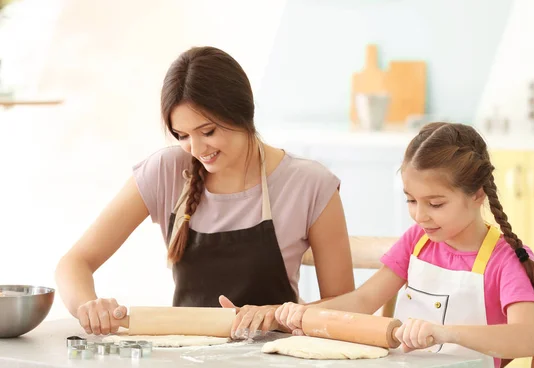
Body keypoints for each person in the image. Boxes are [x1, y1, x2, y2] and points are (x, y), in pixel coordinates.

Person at [55, 46, 355, 339]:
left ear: (243, 113)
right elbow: (74, 263)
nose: (197, 150)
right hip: (184, 367)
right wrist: (88, 307)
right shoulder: (166, 171)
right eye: (182, 136)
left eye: (208, 131)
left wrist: (278, 314)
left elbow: (346, 307)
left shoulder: (309, 183)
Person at [274, 123, 534, 368]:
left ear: (478, 194)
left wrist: (445, 333)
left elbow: (526, 338)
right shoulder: (418, 240)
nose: (419, 215)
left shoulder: (503, 259)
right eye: (411, 200)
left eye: (436, 204)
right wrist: (305, 314)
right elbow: (364, 299)